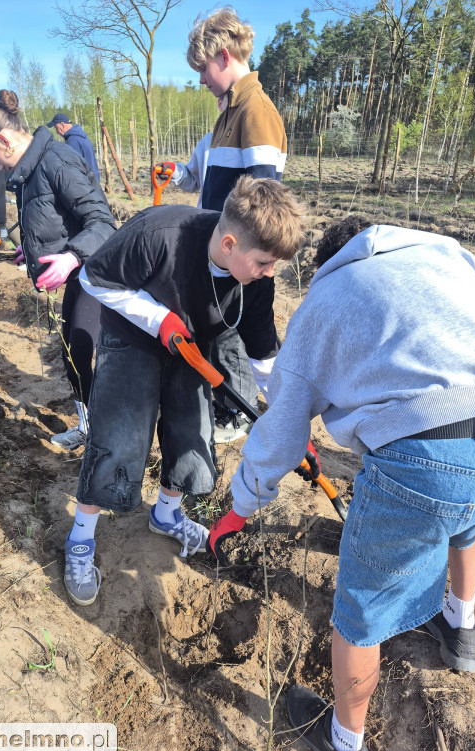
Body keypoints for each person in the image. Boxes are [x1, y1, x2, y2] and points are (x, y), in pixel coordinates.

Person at [208, 216, 475, 751]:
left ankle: (345, 746)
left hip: (423, 457)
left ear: (331, 261)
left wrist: (240, 507)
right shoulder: (448, 254)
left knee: (359, 614)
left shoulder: (328, 296)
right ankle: (461, 630)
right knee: (472, 516)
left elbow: (281, 435)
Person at [61, 176, 316, 607]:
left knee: (191, 432)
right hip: (133, 339)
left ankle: (166, 513)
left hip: (193, 348)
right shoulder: (158, 235)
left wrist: (290, 421)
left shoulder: (256, 282)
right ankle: (80, 537)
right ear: (231, 243)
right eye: (264, 262)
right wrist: (158, 319)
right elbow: (94, 279)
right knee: (118, 438)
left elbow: (264, 358)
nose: (269, 273)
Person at [0, 90, 116, 450]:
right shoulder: (30, 170)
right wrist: (33, 248)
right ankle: (89, 427)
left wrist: (70, 257)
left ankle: (104, 434)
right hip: (79, 273)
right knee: (73, 353)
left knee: (81, 349)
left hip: (96, 273)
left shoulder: (57, 161)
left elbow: (102, 223)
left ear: (3, 140)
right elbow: (54, 218)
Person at [185, 7, 288, 444]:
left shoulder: (256, 112)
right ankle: (238, 408)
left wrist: (249, 265)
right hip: (228, 255)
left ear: (224, 56)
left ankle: (284, 416)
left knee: (259, 339)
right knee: (230, 333)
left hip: (245, 258)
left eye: (204, 69)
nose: (202, 80)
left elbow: (264, 204)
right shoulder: (230, 111)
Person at [155, 95, 227, 208]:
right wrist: (174, 171)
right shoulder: (208, 142)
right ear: (220, 104)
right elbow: (193, 181)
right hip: (207, 220)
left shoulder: (254, 145)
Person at [46, 113, 100, 181]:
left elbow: (74, 167)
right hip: (94, 179)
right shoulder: (82, 136)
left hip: (87, 183)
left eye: (56, 127)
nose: (57, 132)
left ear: (62, 124)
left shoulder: (73, 140)